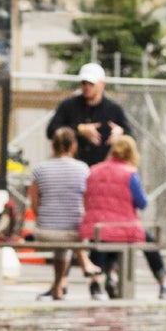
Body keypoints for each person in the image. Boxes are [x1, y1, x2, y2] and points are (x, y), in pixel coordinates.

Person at [81, 135, 166, 300]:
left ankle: (98, 281)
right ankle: (164, 283)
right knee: (149, 242)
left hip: (98, 227)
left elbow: (86, 197)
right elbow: (142, 202)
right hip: (125, 226)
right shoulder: (130, 174)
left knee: (104, 239)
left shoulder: (94, 170)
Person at [28, 127, 102, 302]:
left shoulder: (40, 169)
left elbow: (34, 204)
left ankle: (57, 288)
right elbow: (88, 203)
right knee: (73, 233)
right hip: (73, 234)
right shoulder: (83, 169)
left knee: (63, 244)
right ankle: (84, 262)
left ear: (52, 146)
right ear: (74, 146)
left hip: (44, 231)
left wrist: (46, 218)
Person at [45, 61, 132, 169]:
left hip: (103, 170)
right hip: (73, 169)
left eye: (91, 83)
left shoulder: (113, 109)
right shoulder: (68, 106)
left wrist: (121, 133)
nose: (87, 87)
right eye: (83, 83)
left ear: (102, 84)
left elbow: (131, 137)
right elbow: (51, 131)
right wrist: (79, 129)